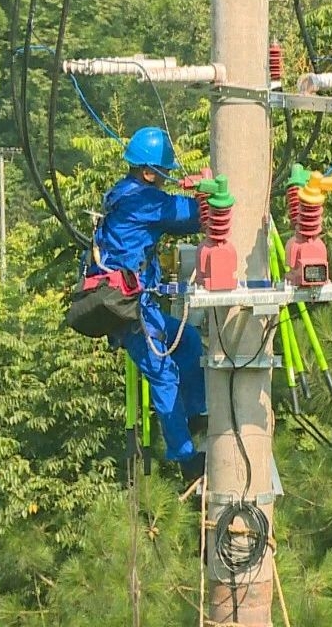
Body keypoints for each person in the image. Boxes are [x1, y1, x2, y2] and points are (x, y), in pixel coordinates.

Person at [89, 126, 207, 484]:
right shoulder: (145, 202)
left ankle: (196, 414)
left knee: (186, 340)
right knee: (163, 375)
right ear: (148, 172)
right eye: (162, 174)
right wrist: (213, 193)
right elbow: (193, 215)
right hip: (131, 309)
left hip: (138, 304)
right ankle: (186, 459)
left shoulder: (124, 194)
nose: (164, 180)